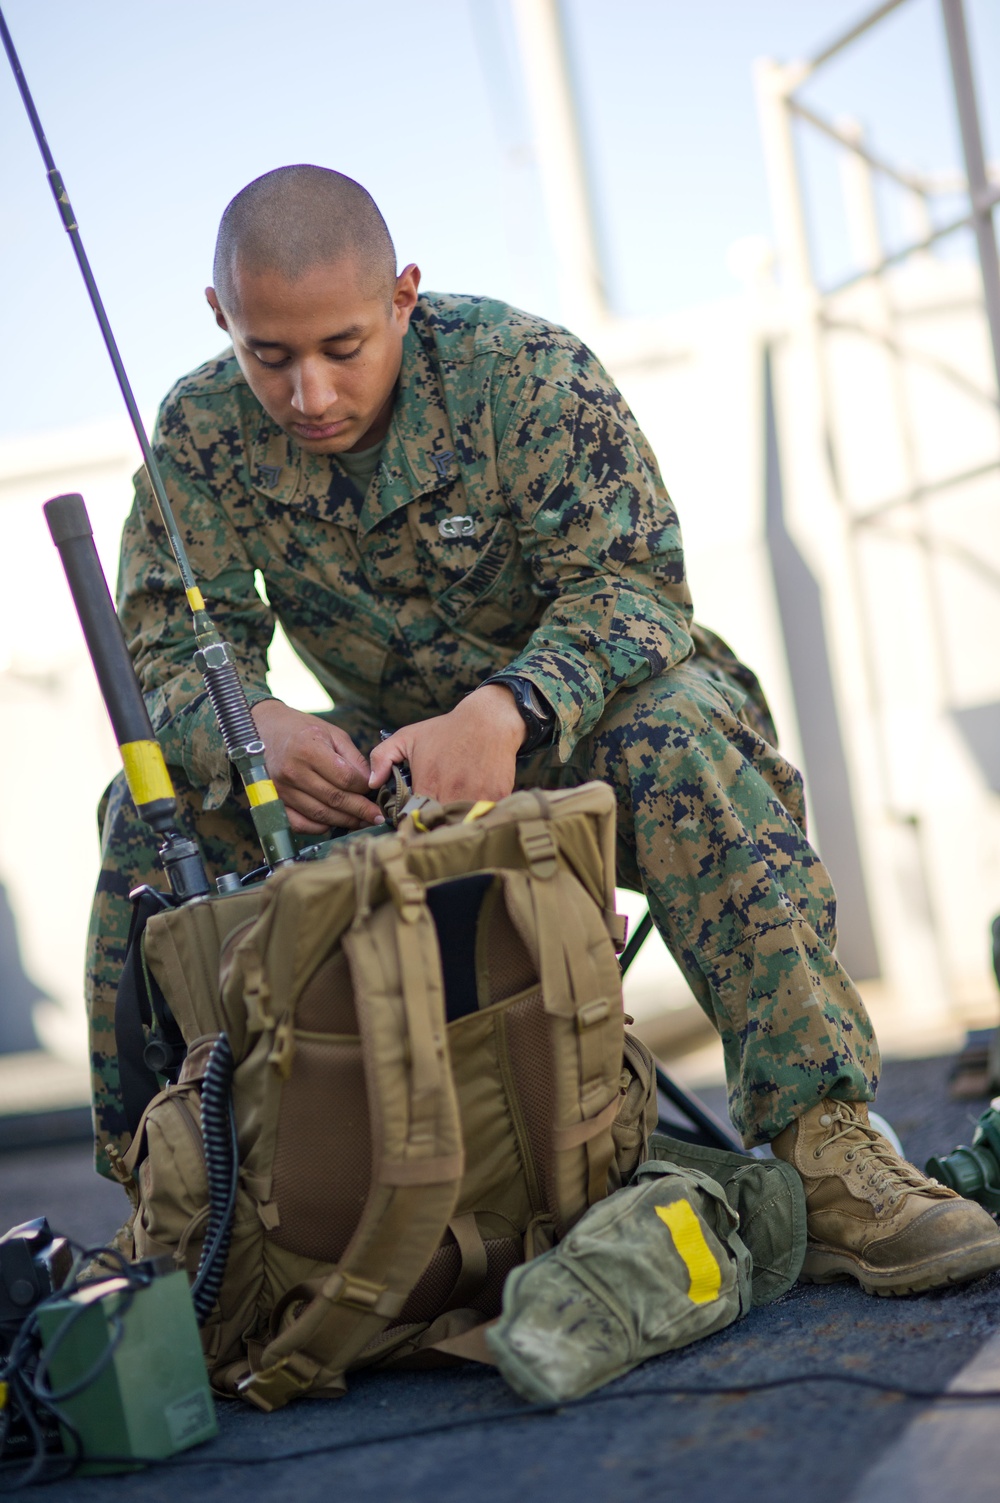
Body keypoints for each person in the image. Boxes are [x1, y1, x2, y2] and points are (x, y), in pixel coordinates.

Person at [88, 164, 1000, 1297]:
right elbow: (170, 647)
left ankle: (825, 1151)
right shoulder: (201, 433)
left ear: (404, 297)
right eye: (269, 356)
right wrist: (257, 726)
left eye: (341, 347)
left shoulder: (518, 375)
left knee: (676, 738)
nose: (309, 393)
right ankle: (163, 1208)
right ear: (222, 318)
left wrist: (507, 710)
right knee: (147, 811)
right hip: (384, 773)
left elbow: (637, 591)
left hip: (588, 734)